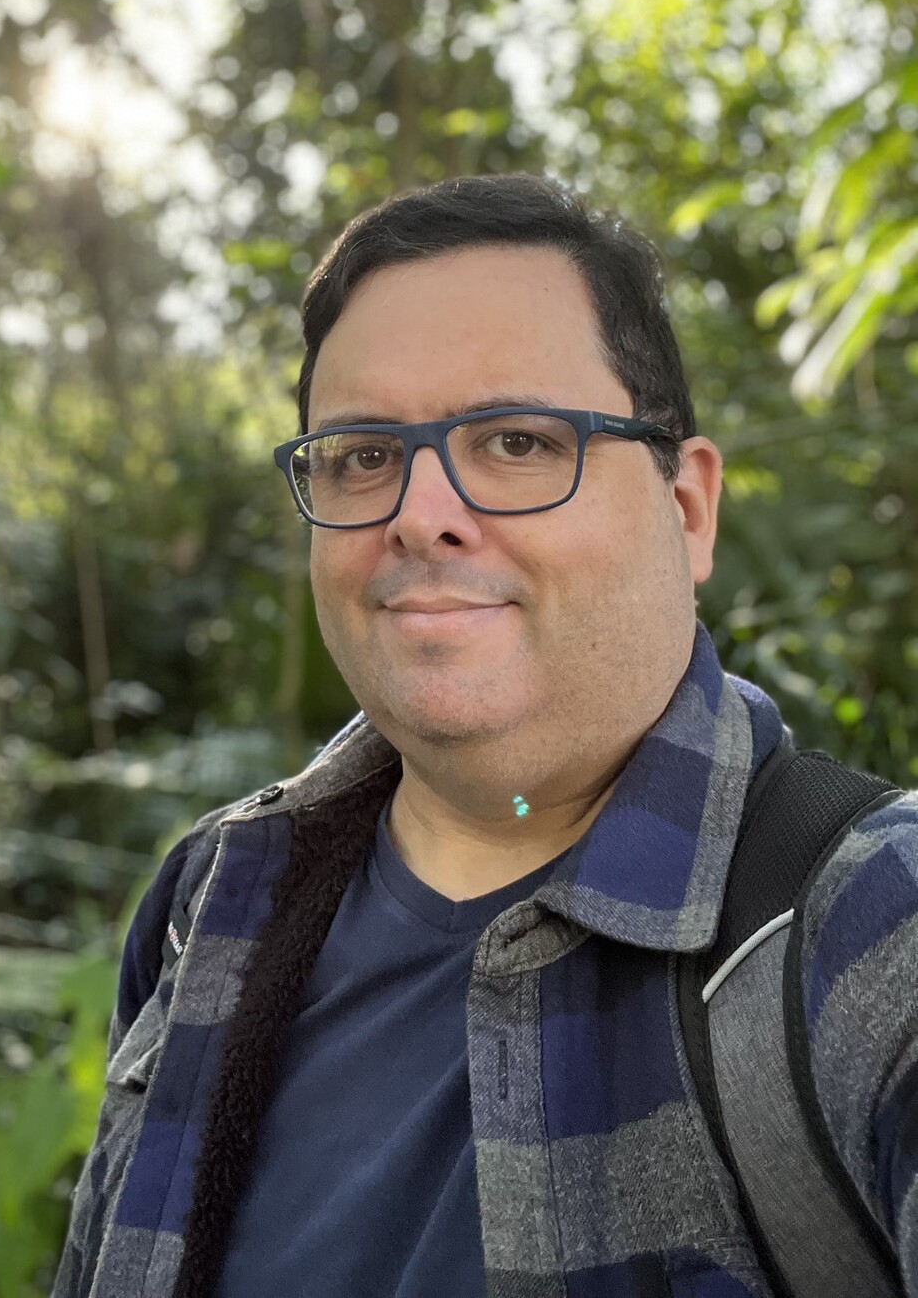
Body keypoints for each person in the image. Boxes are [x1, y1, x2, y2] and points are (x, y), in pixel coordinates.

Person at [52, 173, 918, 1298]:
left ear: (686, 507)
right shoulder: (208, 900)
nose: (418, 511)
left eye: (515, 440)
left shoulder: (870, 930)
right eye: (361, 454)